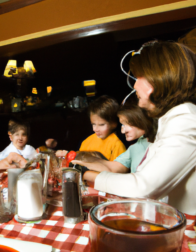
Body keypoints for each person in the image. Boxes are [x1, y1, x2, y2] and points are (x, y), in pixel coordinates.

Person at [84, 41, 196, 215]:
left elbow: (144, 187)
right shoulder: (172, 118)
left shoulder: (185, 118)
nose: (134, 85)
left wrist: (85, 174)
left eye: (139, 77)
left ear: (159, 77)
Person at [72, 102, 156, 173]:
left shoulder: (159, 144)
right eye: (122, 125)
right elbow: (113, 167)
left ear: (141, 120)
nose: (123, 131)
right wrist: (81, 165)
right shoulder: (134, 147)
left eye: (128, 124)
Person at [57, 95, 126, 161]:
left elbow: (117, 171)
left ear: (114, 124)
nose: (95, 129)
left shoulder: (117, 145)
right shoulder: (86, 142)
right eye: (93, 124)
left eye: (101, 125)